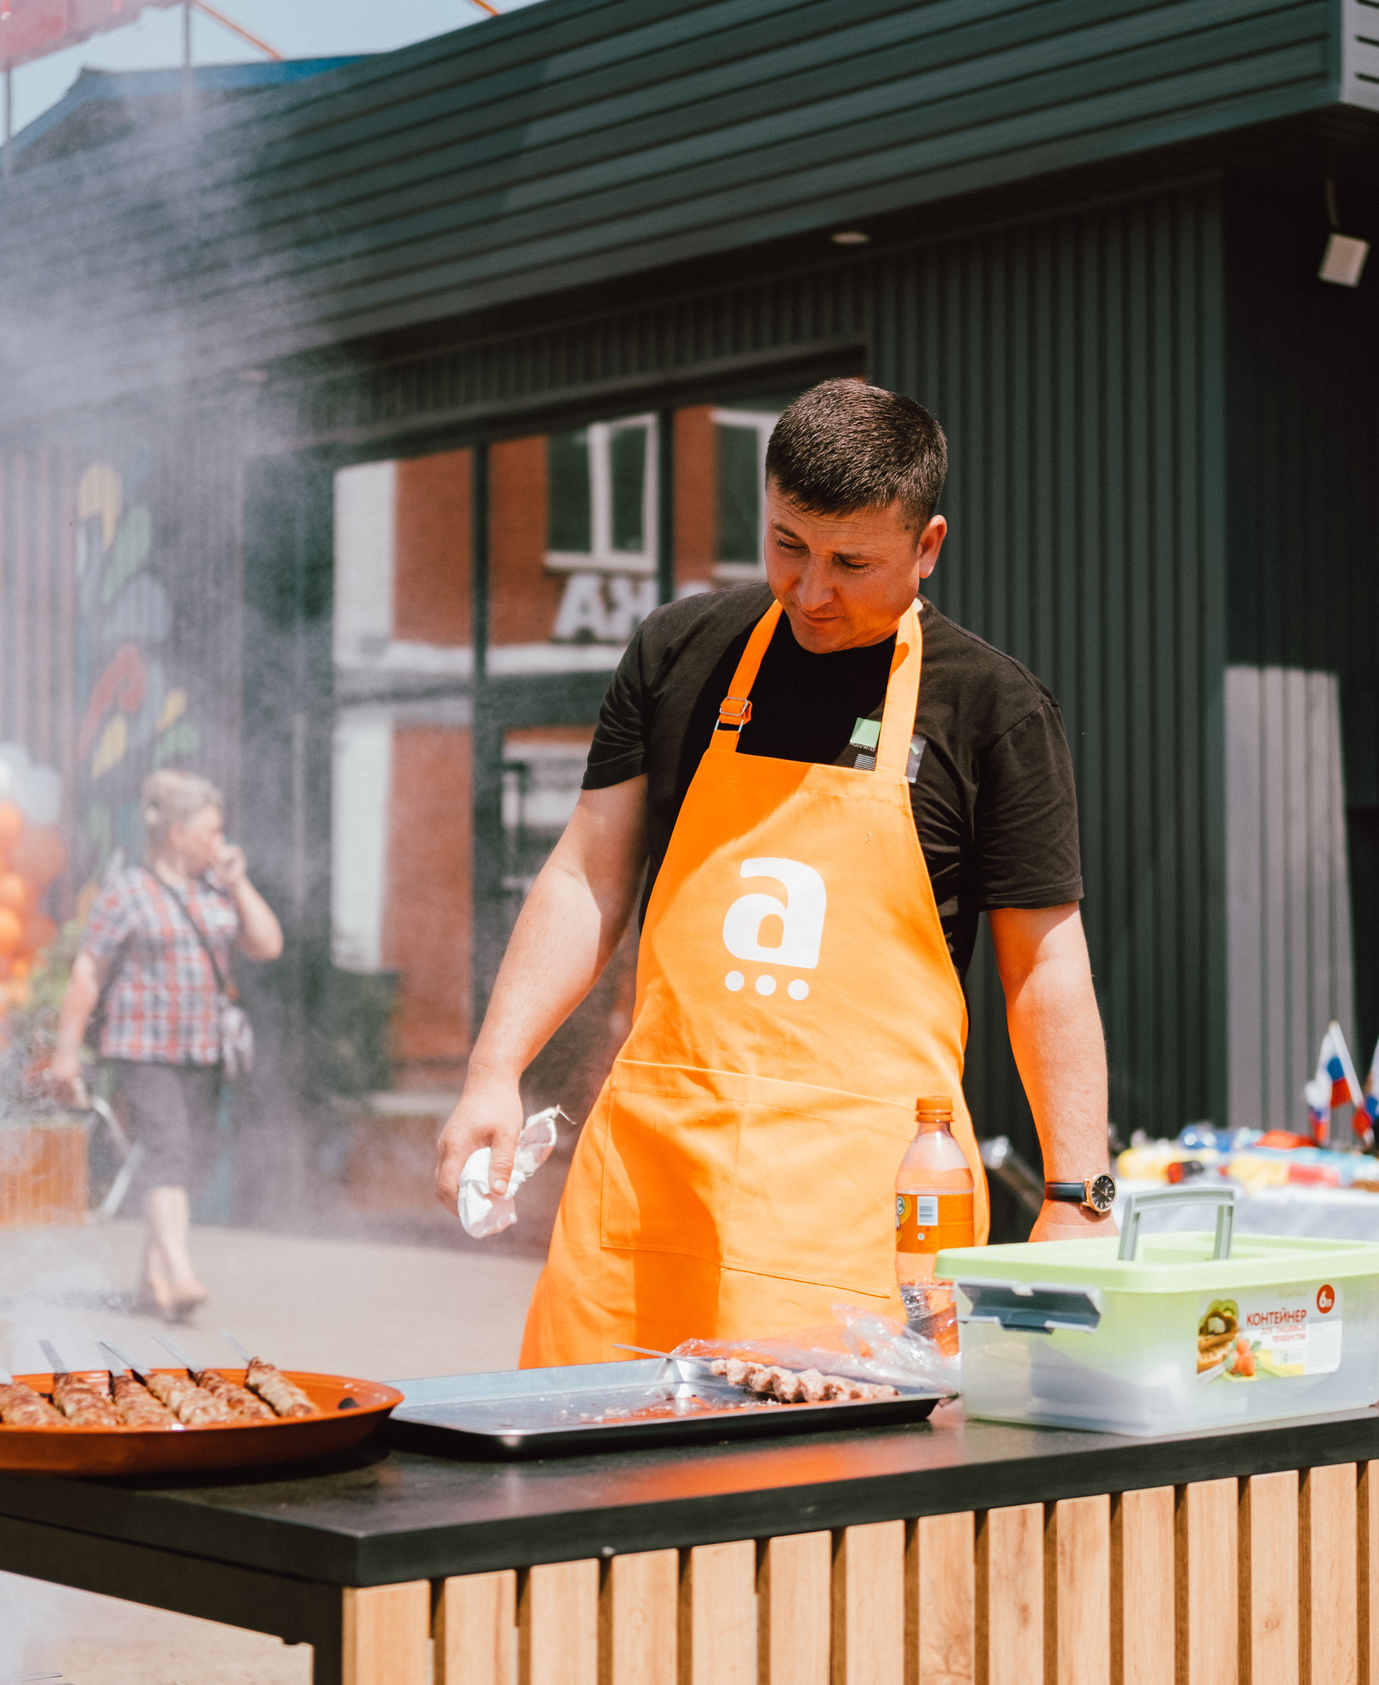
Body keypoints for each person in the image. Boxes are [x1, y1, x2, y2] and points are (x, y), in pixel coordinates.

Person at [433, 378, 1114, 1366]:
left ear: (927, 548)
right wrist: (494, 1069)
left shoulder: (993, 708)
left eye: (851, 562)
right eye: (787, 544)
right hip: (654, 1172)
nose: (810, 590)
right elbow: (586, 874)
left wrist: (1075, 1196)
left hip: (863, 1199)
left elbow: (1044, 968)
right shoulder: (679, 653)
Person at [49, 769, 283, 1320]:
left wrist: (238, 881)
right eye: (211, 831)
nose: (220, 841)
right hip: (141, 1046)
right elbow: (88, 971)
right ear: (176, 834)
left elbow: (268, 944)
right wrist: (66, 1050)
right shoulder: (127, 891)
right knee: (168, 1148)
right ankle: (179, 1270)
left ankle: (150, 1279)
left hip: (201, 1049)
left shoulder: (214, 890)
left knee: (190, 1160)